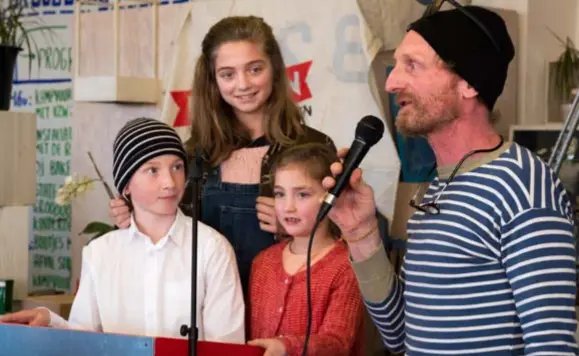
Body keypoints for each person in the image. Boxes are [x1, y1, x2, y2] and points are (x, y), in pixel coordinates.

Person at [321, 6, 578, 356]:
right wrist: (359, 232)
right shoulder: (441, 184)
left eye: (412, 65)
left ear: (468, 83)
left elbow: (552, 348)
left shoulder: (523, 186)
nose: (392, 82)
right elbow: (400, 335)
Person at [108, 16, 335, 297]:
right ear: (212, 81)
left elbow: (341, 238)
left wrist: (298, 226)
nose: (243, 84)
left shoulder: (314, 146)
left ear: (274, 69)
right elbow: (168, 233)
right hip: (203, 306)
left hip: (286, 304)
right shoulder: (193, 155)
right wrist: (133, 218)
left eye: (254, 69)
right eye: (228, 74)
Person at [1, 118, 246, 343]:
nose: (170, 182)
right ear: (126, 184)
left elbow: (227, 345)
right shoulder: (100, 252)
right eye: (153, 170)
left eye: (177, 167)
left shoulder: (211, 248)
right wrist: (49, 319)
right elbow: (84, 338)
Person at [247, 143, 364, 356]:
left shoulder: (346, 266)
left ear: (331, 195)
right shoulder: (262, 262)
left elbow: (338, 342)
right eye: (280, 194)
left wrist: (286, 347)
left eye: (302, 195)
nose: (288, 206)